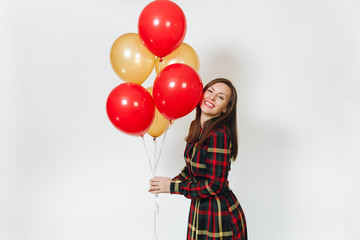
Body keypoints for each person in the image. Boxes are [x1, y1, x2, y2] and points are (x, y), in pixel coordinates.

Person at [149, 78, 248, 240]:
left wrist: (174, 187)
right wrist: (167, 183)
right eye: (210, 91)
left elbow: (216, 185)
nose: (212, 97)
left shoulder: (219, 134)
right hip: (200, 208)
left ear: (225, 109)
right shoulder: (196, 126)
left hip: (219, 213)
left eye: (221, 97)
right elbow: (191, 167)